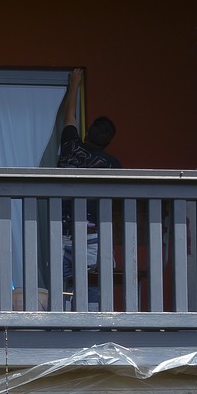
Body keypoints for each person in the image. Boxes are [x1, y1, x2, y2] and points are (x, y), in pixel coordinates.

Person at [57, 67, 120, 307]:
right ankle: (81, 330)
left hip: (71, 234)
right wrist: (75, 85)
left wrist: (74, 85)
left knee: (70, 289)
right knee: (85, 288)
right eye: (103, 128)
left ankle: (74, 330)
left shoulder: (71, 145)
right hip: (82, 235)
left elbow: (69, 117)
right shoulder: (111, 163)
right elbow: (70, 116)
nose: (103, 131)